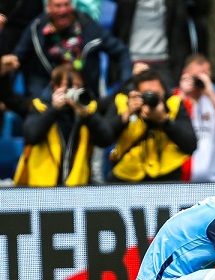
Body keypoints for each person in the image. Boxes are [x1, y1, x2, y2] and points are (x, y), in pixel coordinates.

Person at [0, 0, 132, 99]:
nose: (63, 11)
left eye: (67, 5)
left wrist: (126, 82)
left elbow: (121, 51)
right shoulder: (36, 28)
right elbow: (18, 58)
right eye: (58, 6)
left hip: (85, 95)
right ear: (48, 8)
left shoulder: (88, 26)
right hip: (46, 96)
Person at [12, 64, 113, 186]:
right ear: (54, 86)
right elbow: (32, 136)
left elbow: (106, 139)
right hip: (42, 190)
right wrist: (53, 110)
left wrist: (87, 116)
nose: (73, 90)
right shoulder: (40, 107)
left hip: (76, 190)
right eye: (67, 85)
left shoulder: (87, 111)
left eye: (77, 86)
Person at [106, 69, 197, 182]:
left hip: (167, 176)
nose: (152, 98)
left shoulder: (174, 104)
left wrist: (164, 120)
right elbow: (104, 138)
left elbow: (191, 144)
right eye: (146, 94)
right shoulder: (124, 104)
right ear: (136, 94)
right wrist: (128, 114)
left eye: (156, 94)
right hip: (128, 176)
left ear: (164, 91)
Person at [175, 54, 215, 182]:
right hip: (179, 178)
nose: (200, 80)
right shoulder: (175, 98)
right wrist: (183, 94)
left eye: (205, 76)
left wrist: (210, 94)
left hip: (212, 178)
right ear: (185, 74)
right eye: (197, 76)